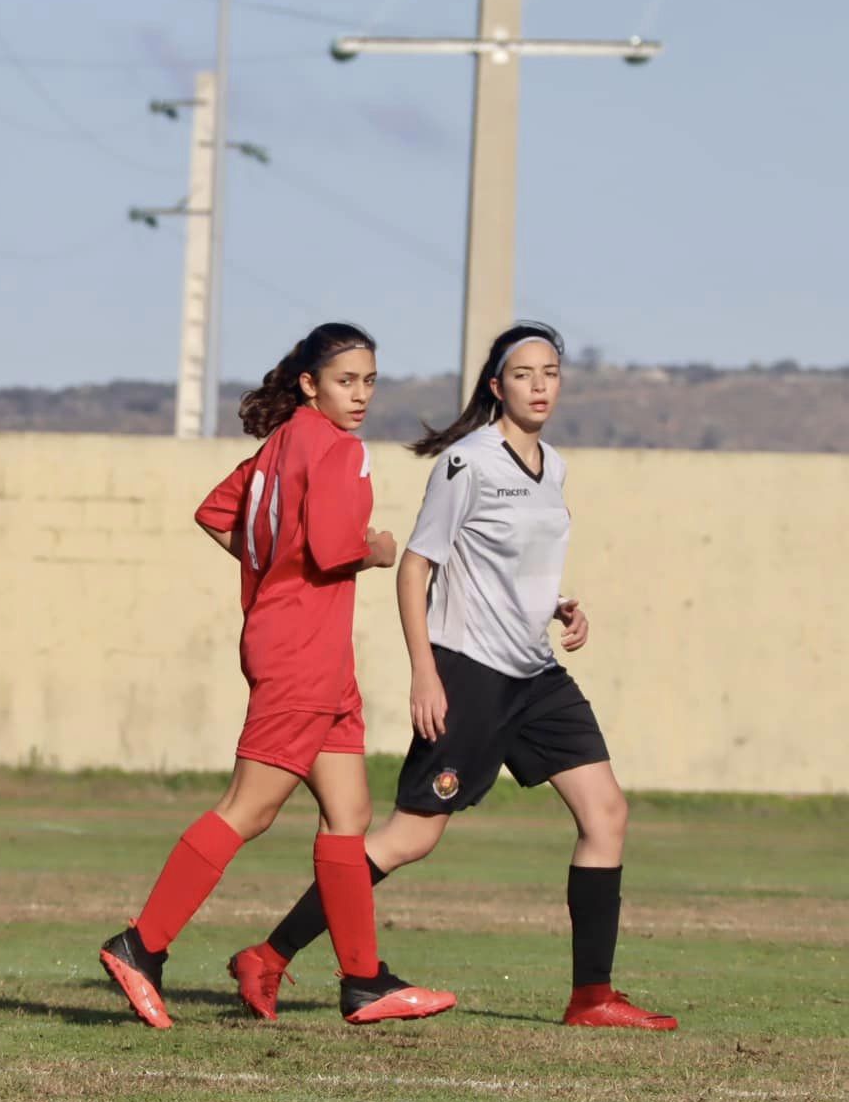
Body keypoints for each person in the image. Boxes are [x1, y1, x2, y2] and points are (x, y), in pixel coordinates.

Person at [227, 323, 678, 1031]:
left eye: (551, 372)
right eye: (524, 373)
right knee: (409, 838)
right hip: (469, 673)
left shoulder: (552, 467)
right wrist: (425, 674)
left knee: (606, 814)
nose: (540, 385)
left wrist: (558, 606)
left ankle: (592, 997)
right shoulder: (467, 463)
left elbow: (514, 564)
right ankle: (270, 954)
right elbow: (416, 566)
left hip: (536, 674)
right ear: (496, 386)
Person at [98, 323, 457, 1028]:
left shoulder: (282, 443)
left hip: (305, 647)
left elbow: (216, 514)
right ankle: (141, 946)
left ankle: (363, 982)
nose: (360, 395)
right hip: (302, 652)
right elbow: (331, 549)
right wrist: (378, 550)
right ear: (310, 383)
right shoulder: (337, 448)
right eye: (346, 381)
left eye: (369, 381)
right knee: (250, 808)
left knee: (348, 817)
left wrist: (272, 570)